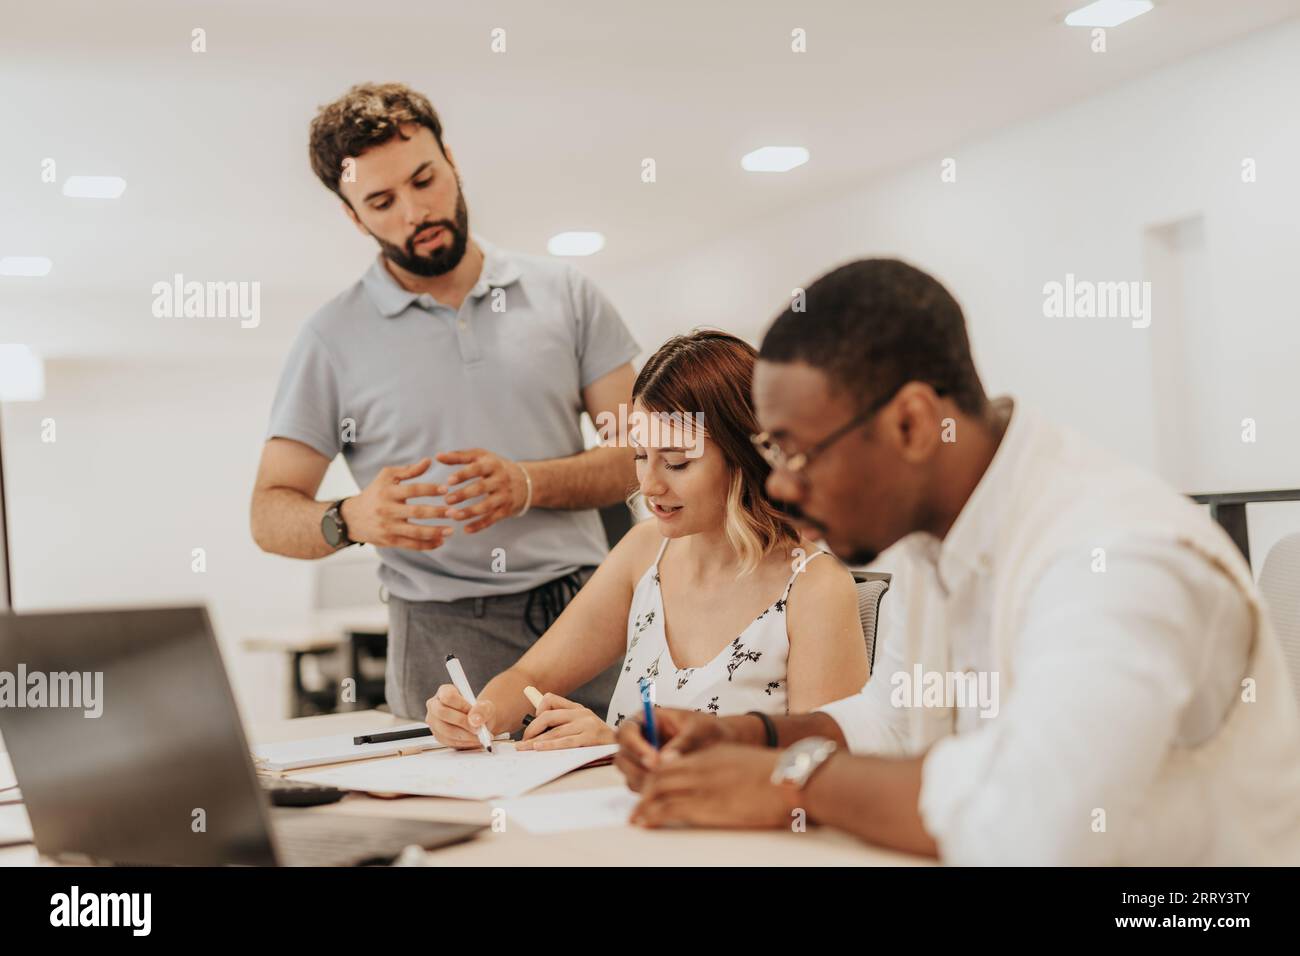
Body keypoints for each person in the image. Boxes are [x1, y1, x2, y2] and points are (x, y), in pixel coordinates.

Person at [615, 258, 1300, 865]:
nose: (782, 488)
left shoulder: (1115, 554)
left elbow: (1033, 823)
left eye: (796, 454)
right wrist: (749, 734)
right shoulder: (930, 540)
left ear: (911, 424)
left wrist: (789, 780)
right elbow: (893, 717)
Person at [250, 83, 639, 719]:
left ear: (450, 160)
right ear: (354, 216)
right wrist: (350, 518)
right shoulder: (330, 339)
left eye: (425, 180)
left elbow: (638, 456)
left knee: (612, 803)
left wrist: (528, 483)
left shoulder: (566, 294)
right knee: (454, 814)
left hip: (590, 618)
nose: (414, 212)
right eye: (381, 201)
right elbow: (268, 513)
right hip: (442, 641)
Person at [423, 331, 869, 750]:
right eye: (640, 455)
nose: (650, 485)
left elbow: (822, 764)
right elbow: (532, 673)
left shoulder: (814, 587)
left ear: (744, 457)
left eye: (676, 462)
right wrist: (479, 715)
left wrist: (618, 746)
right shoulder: (643, 552)